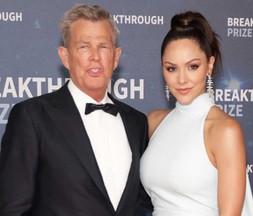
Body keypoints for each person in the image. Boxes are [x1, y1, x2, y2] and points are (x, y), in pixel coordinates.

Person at [0, 4, 149, 216]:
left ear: (116, 57)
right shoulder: (32, 117)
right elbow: (13, 209)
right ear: (65, 56)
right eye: (84, 47)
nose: (95, 56)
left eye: (103, 46)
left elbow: (143, 202)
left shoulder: (136, 122)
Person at [140, 11, 253, 216]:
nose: (182, 79)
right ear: (162, 68)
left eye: (192, 66)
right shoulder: (154, 122)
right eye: (172, 68)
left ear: (209, 65)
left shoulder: (224, 130)